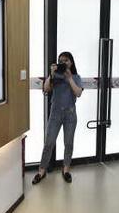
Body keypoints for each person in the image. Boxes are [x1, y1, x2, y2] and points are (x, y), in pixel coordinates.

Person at [32, 51, 83, 184]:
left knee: (68, 143)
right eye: (61, 61)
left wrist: (69, 78)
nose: (63, 63)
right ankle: (41, 171)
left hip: (70, 114)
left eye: (66, 60)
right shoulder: (55, 76)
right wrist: (51, 74)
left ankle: (66, 169)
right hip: (55, 113)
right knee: (49, 143)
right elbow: (46, 89)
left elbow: (78, 93)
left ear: (71, 62)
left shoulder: (76, 77)